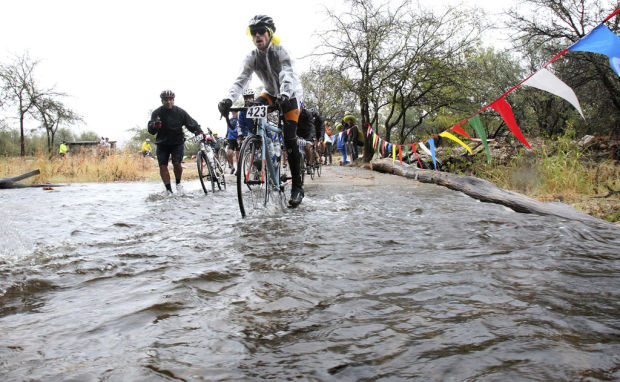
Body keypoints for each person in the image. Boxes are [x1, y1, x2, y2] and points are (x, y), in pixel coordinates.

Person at [218, 15, 305, 207]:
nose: (258, 35)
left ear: (270, 33)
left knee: (290, 138)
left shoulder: (280, 51)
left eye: (261, 31)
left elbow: (287, 74)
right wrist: (228, 99)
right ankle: (259, 144)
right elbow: (241, 80)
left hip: (290, 94)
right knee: (252, 107)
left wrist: (284, 94)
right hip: (269, 93)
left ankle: (298, 187)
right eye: (253, 32)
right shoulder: (252, 57)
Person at [148, 90, 203, 194]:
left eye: (170, 100)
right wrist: (154, 126)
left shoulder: (180, 112)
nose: (168, 102)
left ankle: (178, 183)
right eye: (166, 100)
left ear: (173, 100)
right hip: (162, 143)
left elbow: (191, 123)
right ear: (162, 101)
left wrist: (198, 131)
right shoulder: (156, 113)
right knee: (163, 166)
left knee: (177, 164)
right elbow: (151, 130)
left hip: (177, 143)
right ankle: (168, 190)